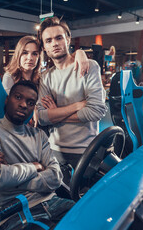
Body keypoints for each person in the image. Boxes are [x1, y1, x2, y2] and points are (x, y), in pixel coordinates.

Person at [0, 81, 75, 230]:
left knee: (94, 218)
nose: (23, 105)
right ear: (7, 100)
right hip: (13, 213)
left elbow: (55, 177)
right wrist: (36, 166)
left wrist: (11, 174)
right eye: (18, 97)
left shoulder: (39, 135)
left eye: (30, 102)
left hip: (52, 202)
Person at [36, 17, 107, 172]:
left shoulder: (89, 66)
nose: (54, 43)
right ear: (44, 48)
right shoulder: (45, 77)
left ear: (68, 40)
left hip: (85, 150)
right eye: (48, 41)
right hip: (54, 150)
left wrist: (55, 114)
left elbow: (96, 111)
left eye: (59, 38)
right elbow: (41, 116)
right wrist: (76, 106)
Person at [2, 35, 89, 95]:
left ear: (39, 57)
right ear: (18, 55)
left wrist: (79, 52)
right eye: (25, 53)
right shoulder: (10, 76)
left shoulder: (42, 77)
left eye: (34, 54)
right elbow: (9, 106)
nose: (30, 58)